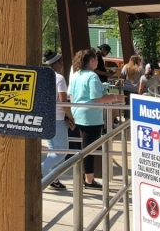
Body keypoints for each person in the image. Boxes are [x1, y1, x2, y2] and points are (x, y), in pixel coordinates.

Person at [68, 48, 124, 190]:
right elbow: (97, 98)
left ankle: (82, 176)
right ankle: (89, 179)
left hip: (77, 113)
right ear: (92, 60)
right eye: (96, 59)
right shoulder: (92, 77)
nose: (98, 61)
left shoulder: (75, 75)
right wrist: (116, 97)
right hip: (91, 116)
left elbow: (71, 96)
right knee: (90, 149)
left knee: (79, 147)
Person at [41, 50, 75, 190]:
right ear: (56, 63)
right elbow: (63, 101)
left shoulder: (43, 77)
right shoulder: (59, 78)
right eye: (61, 61)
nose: (62, 63)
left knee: (53, 150)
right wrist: (71, 117)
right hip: (58, 118)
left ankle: (52, 178)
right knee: (62, 151)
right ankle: (39, 171)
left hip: (46, 117)